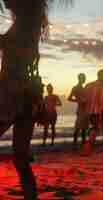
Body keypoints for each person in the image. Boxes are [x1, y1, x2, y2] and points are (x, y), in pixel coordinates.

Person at [0, 0, 49, 198]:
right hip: (28, 98)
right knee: (20, 157)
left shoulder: (24, 26)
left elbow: (13, 49)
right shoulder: (31, 24)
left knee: (21, 157)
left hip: (10, 94)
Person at [84, 69, 103, 153]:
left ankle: (89, 145)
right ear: (99, 75)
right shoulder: (101, 87)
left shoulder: (89, 85)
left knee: (94, 128)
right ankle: (88, 145)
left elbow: (84, 98)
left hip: (91, 110)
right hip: (95, 111)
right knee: (95, 128)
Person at [68, 73, 88, 146]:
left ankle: (82, 143)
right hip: (80, 109)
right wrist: (78, 101)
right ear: (80, 78)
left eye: (84, 78)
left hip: (86, 109)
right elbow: (69, 98)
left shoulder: (84, 88)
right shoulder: (75, 88)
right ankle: (74, 143)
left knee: (84, 129)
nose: (85, 79)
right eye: (84, 78)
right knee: (78, 127)